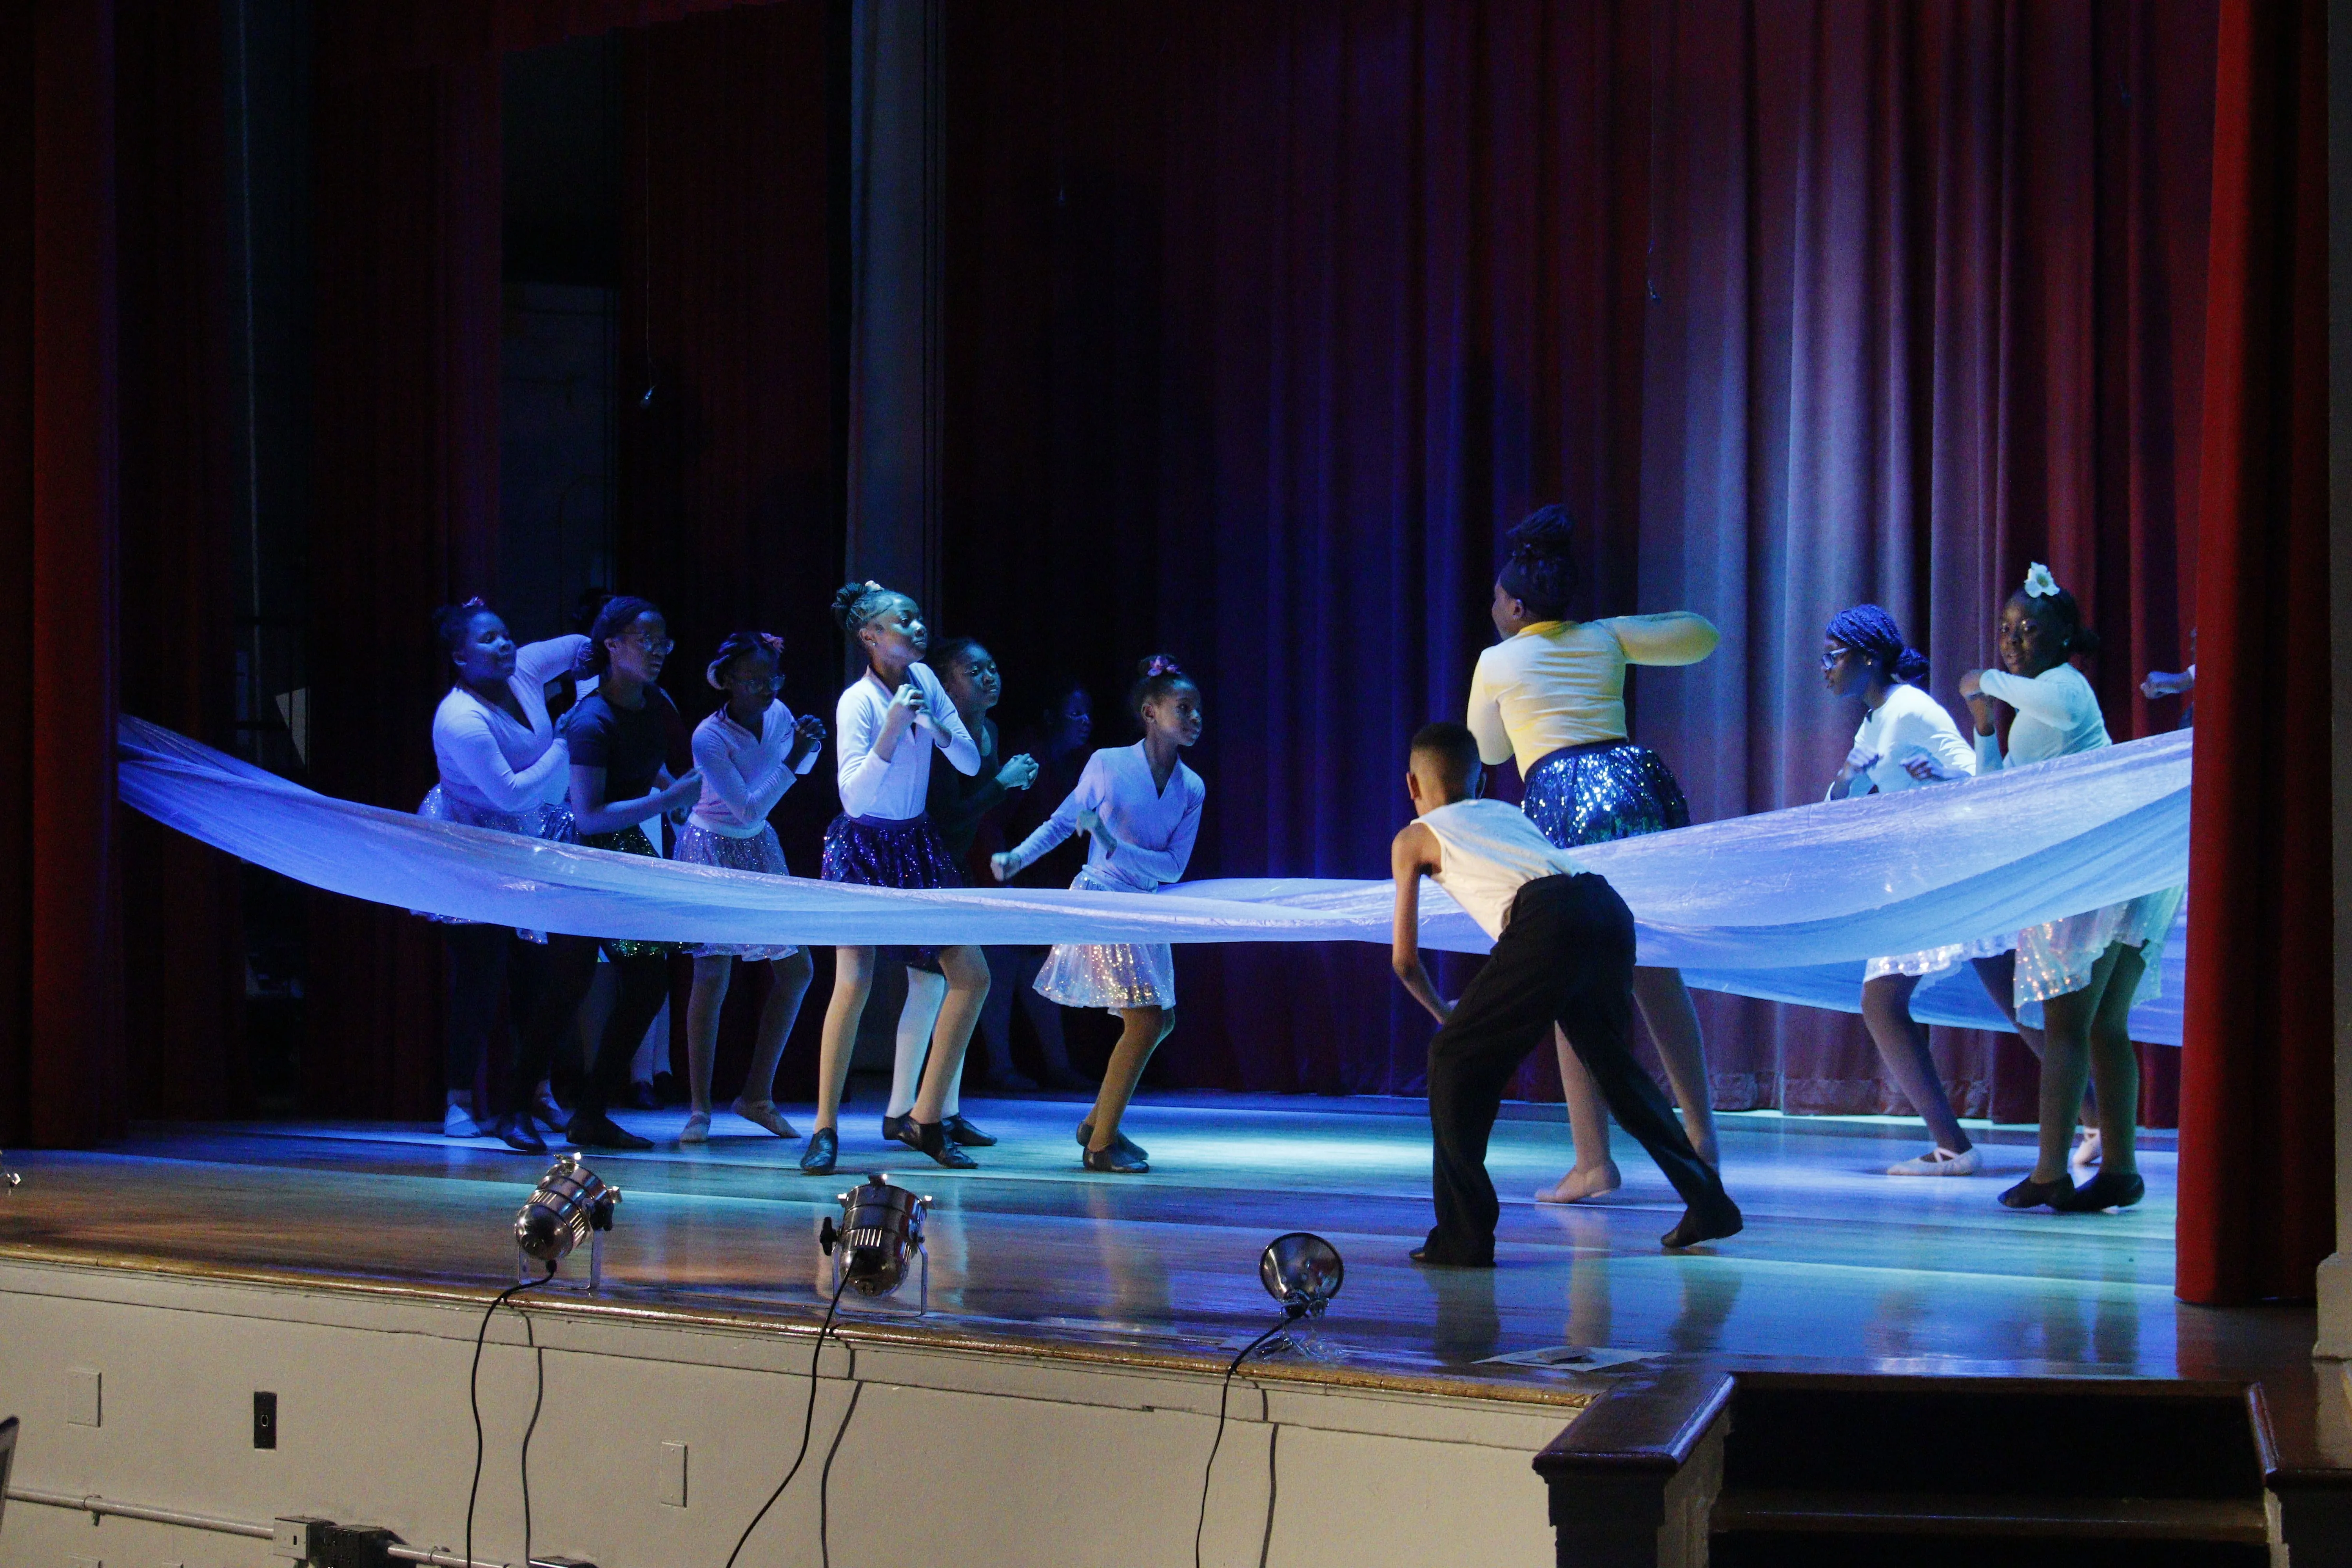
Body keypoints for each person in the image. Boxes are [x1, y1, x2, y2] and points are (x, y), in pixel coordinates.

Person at [1388, 722, 1740, 1264]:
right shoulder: (1505, 814)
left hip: (1547, 919)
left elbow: (1405, 961)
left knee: (1451, 1058)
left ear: (1413, 786)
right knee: (1616, 1072)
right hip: (1604, 906)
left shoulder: (1413, 837)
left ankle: (1464, 1237)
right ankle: (1708, 1201)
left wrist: (1444, 1015)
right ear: (1481, 782)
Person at [1465, 505, 1721, 1204]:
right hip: (1635, 784)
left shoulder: (1498, 659)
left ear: (1517, 606)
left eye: (1495, 599)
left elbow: (1487, 753)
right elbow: (1702, 635)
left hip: (1563, 796)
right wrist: (1611, 634)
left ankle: (1593, 1161)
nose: (1492, 608)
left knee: (1568, 978)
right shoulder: (1604, 638)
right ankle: (1701, 1139)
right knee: (1657, 969)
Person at [1960, 563, 2183, 1212]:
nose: (2014, 640)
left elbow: (2042, 701)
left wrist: (1986, 681)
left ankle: (2052, 1169)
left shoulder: (2065, 687)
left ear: (2063, 640)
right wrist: (1980, 723)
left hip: (2096, 874)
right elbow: (1997, 792)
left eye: (2030, 629)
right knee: (2103, 1028)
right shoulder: (2030, 701)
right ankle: (2119, 1168)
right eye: (2006, 629)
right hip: (2115, 868)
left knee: (2068, 1029)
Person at [991, 657, 1206, 1173]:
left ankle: (1098, 1122)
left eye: (1199, 710)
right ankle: (1101, 1143)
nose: (1196, 717)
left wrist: (1112, 843)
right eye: (1184, 708)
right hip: (1103, 900)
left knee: (1161, 1019)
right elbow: (1064, 823)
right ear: (1150, 712)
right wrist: (1016, 858)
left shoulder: (1191, 787)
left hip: (1144, 909)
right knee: (1147, 1018)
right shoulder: (1108, 764)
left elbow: (1173, 867)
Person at [802, 580, 987, 1174]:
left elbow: (969, 760)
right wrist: (890, 726)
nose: (915, 626)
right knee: (852, 983)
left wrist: (931, 719)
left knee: (972, 976)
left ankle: (925, 1118)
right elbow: (854, 800)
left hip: (915, 844)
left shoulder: (927, 681)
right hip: (862, 847)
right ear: (870, 635)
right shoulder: (856, 701)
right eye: (901, 620)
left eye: (916, 617)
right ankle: (825, 1127)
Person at [1819, 604, 1987, 1176]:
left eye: (1835, 656)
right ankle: (1955, 1147)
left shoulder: (1907, 709)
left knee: (1888, 1001)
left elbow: (1979, 779)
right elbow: (1837, 810)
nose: (1826, 669)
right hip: (1926, 873)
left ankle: (1960, 1146)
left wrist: (1939, 783)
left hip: (1957, 868)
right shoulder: (1874, 721)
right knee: (1887, 1002)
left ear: (1869, 658)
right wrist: (1847, 780)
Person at [419, 598, 585, 1151]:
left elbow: (582, 646)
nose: (504, 645)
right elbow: (511, 794)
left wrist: (604, 650)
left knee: (538, 979)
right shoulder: (460, 719)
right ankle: (460, 1100)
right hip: (471, 851)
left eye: (507, 634)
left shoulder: (527, 671)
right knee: (481, 977)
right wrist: (565, 741)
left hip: (526, 847)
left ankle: (536, 1092)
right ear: (460, 656)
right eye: (488, 640)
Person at [546, 595, 704, 1151]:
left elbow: (648, 767)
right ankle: (523, 1102)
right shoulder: (591, 720)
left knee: (645, 982)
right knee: (568, 987)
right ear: (612, 645)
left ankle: (589, 1112)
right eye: (647, 640)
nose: (659, 651)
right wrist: (669, 800)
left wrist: (672, 792)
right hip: (588, 864)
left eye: (665, 641)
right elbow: (588, 817)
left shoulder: (650, 702)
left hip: (627, 858)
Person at [881, 636, 1041, 1150]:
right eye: (975, 670)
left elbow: (972, 816)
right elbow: (947, 814)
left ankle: (930, 1110)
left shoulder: (988, 729)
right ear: (945, 684)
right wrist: (1002, 784)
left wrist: (1008, 785)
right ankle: (913, 1112)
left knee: (934, 990)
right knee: (948, 986)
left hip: (952, 867)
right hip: (921, 867)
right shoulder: (937, 735)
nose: (989, 677)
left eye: (993, 667)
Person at [672, 631, 827, 1145]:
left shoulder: (779, 715)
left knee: (797, 969)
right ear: (728, 681)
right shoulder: (708, 737)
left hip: (758, 848)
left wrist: (808, 749)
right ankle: (700, 1108)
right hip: (712, 847)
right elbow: (747, 806)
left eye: (772, 678)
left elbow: (792, 776)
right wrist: (796, 757)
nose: (766, 687)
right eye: (754, 679)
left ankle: (756, 1096)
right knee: (712, 974)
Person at [985, 679, 1100, 1091]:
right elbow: (995, 821)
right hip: (1007, 875)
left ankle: (1057, 1064)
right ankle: (1000, 1067)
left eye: (1088, 713)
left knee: (1037, 969)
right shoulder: (1029, 756)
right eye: (1075, 714)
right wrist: (1004, 880)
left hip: (1049, 881)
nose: (1085, 721)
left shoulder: (1085, 762)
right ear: (1052, 718)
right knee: (999, 972)